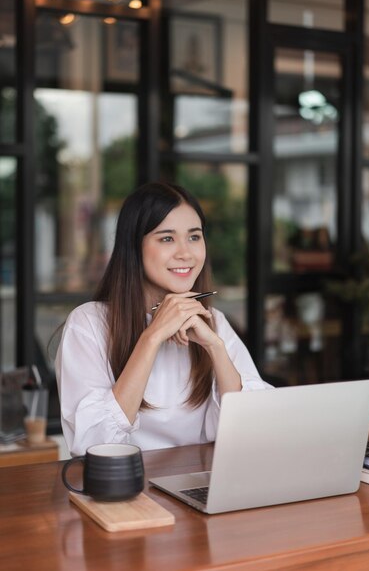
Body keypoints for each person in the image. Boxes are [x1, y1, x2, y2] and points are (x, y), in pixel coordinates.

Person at [55, 182, 269, 455]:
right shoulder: (88, 324)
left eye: (194, 237)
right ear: (134, 247)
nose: (186, 253)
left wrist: (216, 348)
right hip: (123, 488)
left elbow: (254, 430)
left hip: (197, 484)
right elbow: (95, 444)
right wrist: (152, 336)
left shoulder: (213, 321)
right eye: (167, 238)